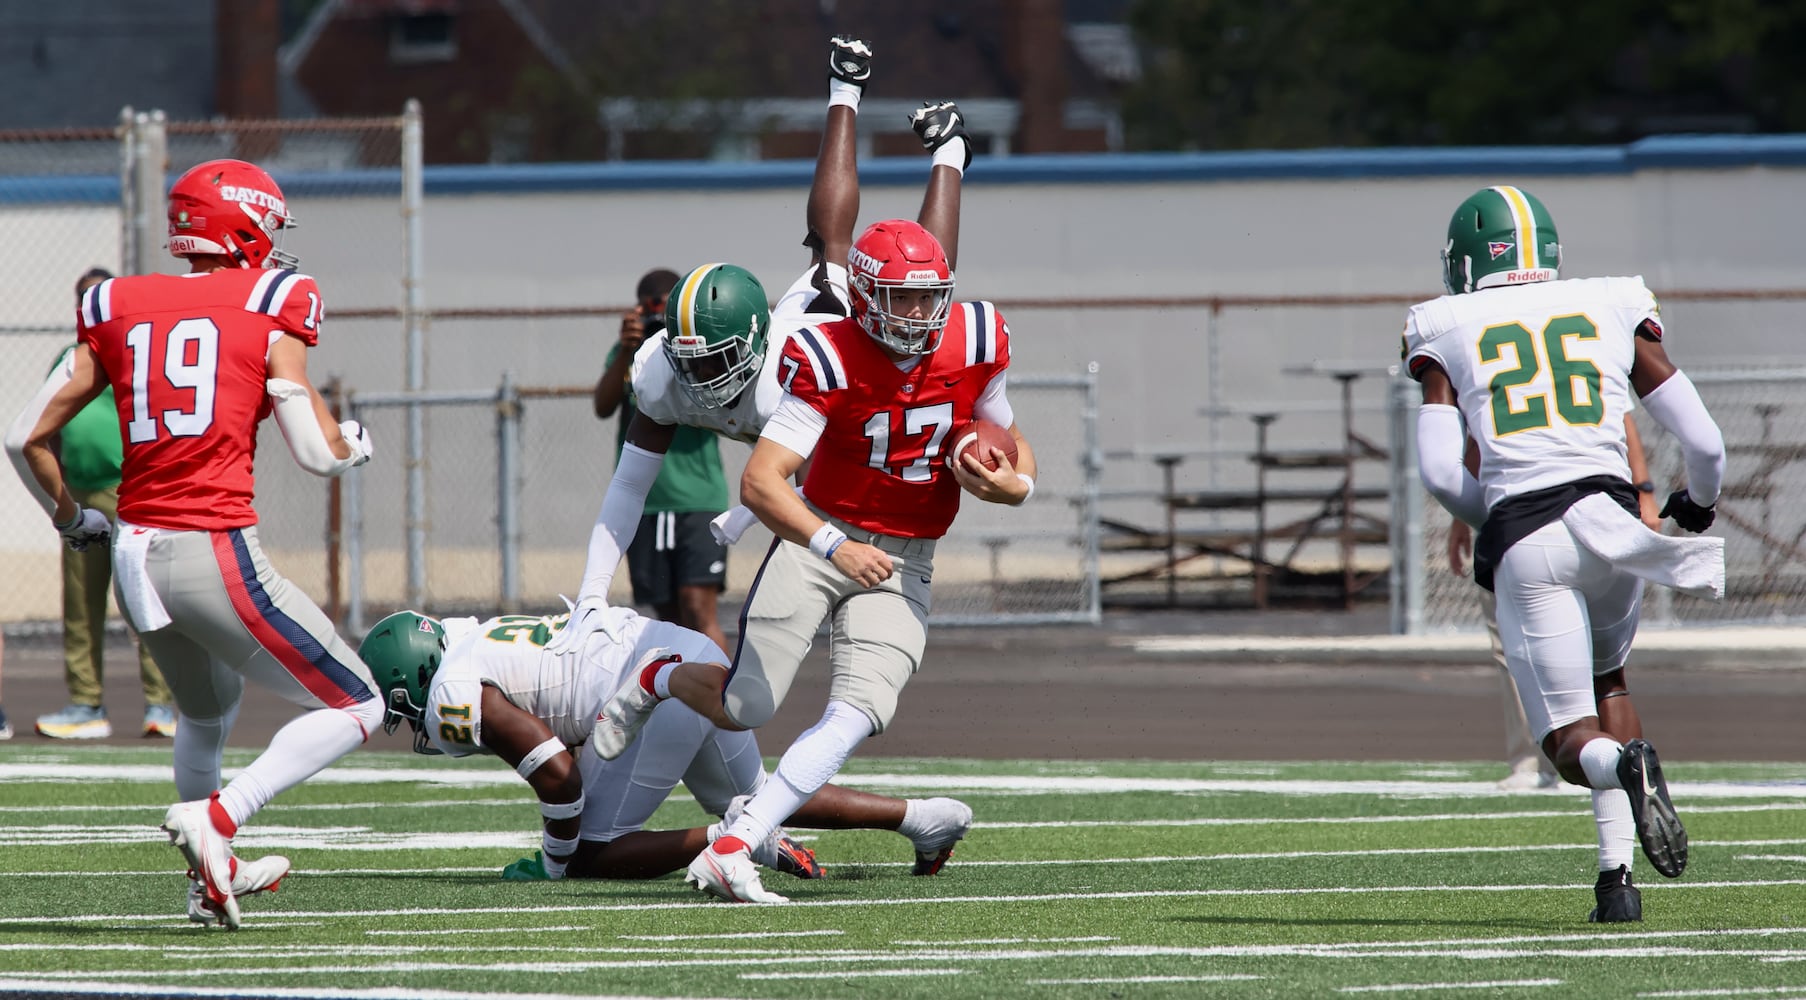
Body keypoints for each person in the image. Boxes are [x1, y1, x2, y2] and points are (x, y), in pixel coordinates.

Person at [590, 212, 1037, 904]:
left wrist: (1017, 484)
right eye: (900, 297)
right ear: (863, 296)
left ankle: (733, 847)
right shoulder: (826, 354)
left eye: (928, 295)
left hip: (906, 559)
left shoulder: (977, 336)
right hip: (819, 536)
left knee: (860, 710)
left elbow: (1008, 437)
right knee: (745, 704)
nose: (917, 313)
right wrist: (834, 544)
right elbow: (762, 480)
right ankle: (661, 677)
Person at [5, 158, 381, 931]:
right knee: (360, 700)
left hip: (133, 557)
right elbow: (315, 453)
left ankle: (206, 883)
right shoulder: (274, 300)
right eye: (269, 228)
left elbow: (23, 437)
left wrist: (73, 518)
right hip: (209, 544)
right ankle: (223, 817)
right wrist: (354, 445)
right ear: (244, 223)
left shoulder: (118, 303)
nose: (275, 246)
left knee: (206, 716)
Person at [557, 34, 972, 637]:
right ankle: (850, 90)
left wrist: (745, 521)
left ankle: (944, 148)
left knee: (912, 299)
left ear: (754, 343)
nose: (697, 376)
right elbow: (628, 483)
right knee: (827, 246)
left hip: (837, 348)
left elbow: (804, 498)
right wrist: (591, 597)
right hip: (799, 356)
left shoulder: (797, 383)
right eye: (688, 359)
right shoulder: (660, 371)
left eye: (715, 360)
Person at [1404, 184, 1726, 923]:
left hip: (1533, 538)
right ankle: (1616, 883)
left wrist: (1498, 514)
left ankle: (1625, 766)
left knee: (1565, 739)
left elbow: (1436, 469)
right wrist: (1698, 504)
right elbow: (1705, 440)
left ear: (1462, 262)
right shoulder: (1611, 303)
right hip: (1616, 529)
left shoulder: (1446, 323)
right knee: (1608, 679)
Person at [358, 607, 973, 885]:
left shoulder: (450, 693)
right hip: (684, 653)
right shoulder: (472, 637)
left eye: (399, 701)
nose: (407, 718)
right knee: (764, 794)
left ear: (415, 677)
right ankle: (924, 819)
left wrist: (551, 861)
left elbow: (559, 778)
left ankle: (732, 837)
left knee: (588, 856)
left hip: (649, 691)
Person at [1447, 416, 1661, 792]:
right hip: (1602, 515)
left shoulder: (1486, 357)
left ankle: (1561, 761)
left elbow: (1473, 442)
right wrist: (1645, 489)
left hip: (1524, 525)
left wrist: (1461, 512)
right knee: (1609, 675)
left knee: (1521, 650)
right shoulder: (1593, 354)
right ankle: (1620, 828)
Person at [18, 268, 178, 741]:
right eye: (82, 299)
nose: (89, 307)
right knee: (81, 604)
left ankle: (161, 704)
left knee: (142, 599)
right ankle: (86, 703)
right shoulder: (68, 358)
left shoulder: (135, 352)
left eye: (98, 298)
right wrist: (61, 492)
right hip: (81, 495)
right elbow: (44, 428)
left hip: (131, 491)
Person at [591, 267, 732, 654]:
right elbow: (603, 406)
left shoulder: (701, 349)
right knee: (667, 619)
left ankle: (726, 704)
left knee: (697, 606)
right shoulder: (632, 353)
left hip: (698, 499)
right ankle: (681, 706)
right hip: (647, 503)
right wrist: (624, 350)